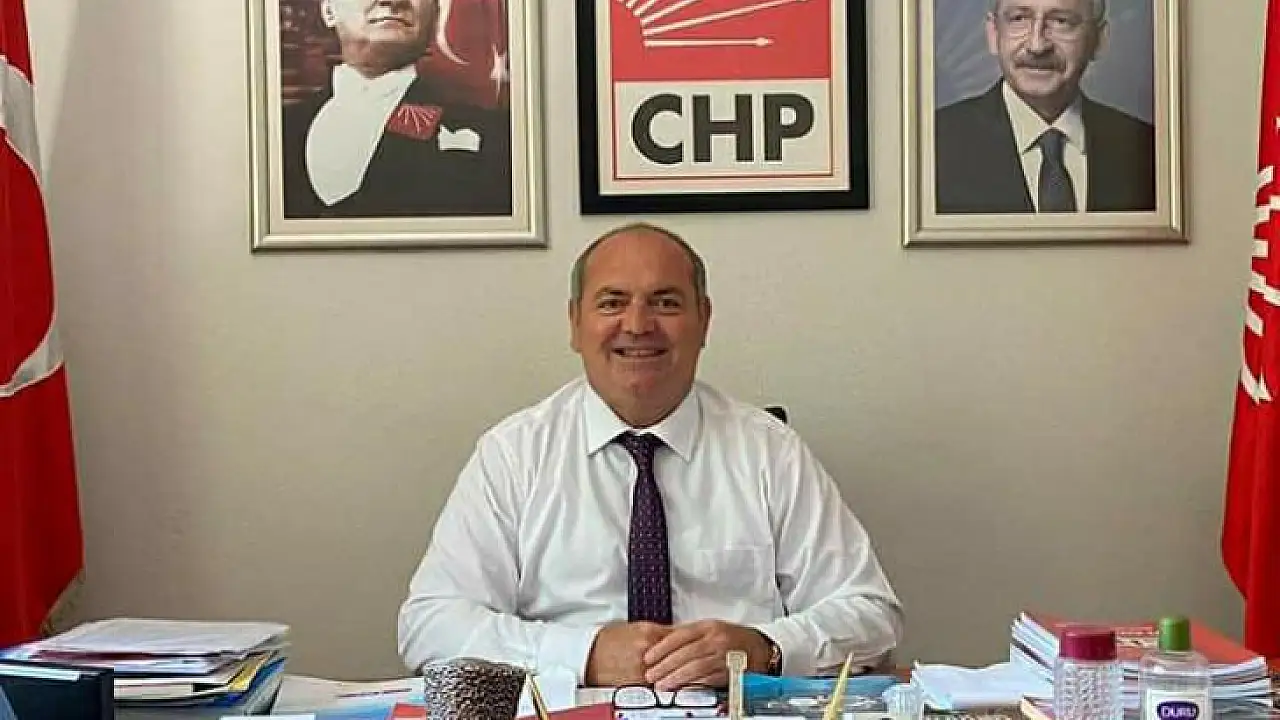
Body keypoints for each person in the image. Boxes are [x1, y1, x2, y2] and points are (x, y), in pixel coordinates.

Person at [397, 222, 903, 690]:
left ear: (704, 321)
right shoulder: (513, 454)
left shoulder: (770, 451)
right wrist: (583, 655)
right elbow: (430, 625)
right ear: (575, 323)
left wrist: (765, 648)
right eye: (612, 302)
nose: (638, 325)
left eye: (665, 302)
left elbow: (871, 612)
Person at [281, 0, 512, 218]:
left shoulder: (498, 137)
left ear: (436, 14)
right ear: (329, 10)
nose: (393, 1)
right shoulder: (276, 130)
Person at [934, 0, 1156, 214]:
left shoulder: (1149, 150)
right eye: (1019, 19)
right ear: (993, 34)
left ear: (1098, 40)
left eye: (1061, 21)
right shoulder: (932, 145)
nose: (1037, 46)